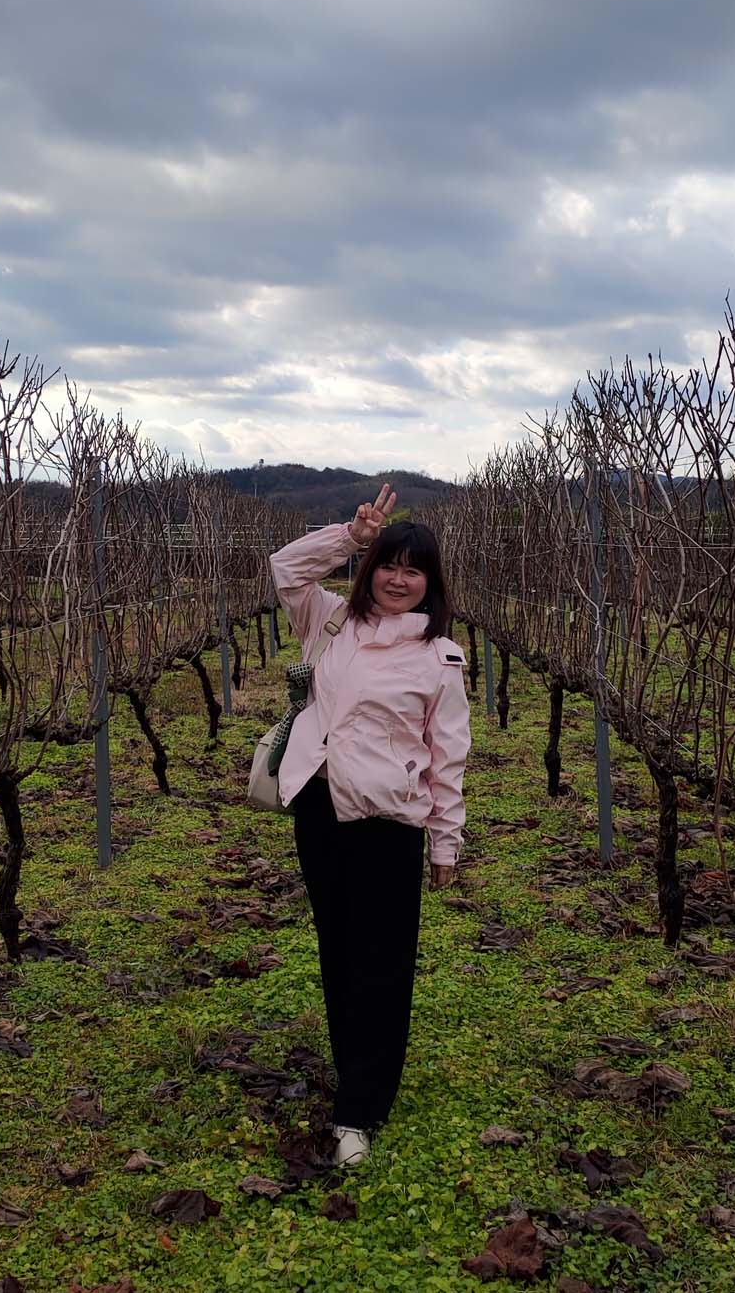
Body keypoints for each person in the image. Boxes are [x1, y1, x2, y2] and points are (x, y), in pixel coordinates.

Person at [268, 484, 470, 1169]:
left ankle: (360, 1107)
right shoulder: (328, 621)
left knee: (382, 963)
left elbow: (448, 757)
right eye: (388, 564)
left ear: (431, 583)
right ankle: (352, 1069)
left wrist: (445, 841)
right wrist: (348, 537)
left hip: (388, 821)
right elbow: (284, 568)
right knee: (338, 950)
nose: (398, 580)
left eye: (413, 570)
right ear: (369, 569)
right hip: (321, 808)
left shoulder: (439, 658)